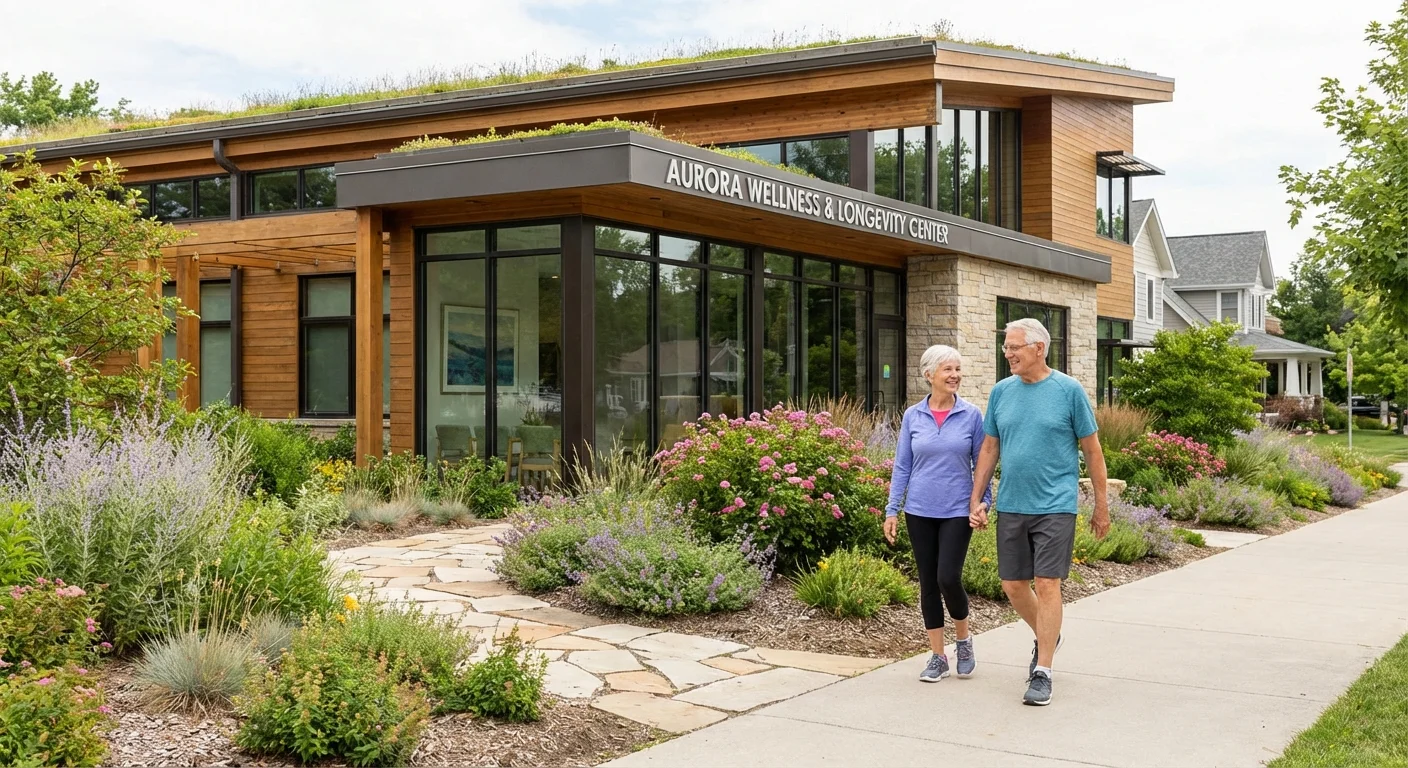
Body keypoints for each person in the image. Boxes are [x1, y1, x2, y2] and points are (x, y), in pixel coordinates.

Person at [969, 318, 1108, 707]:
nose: (1007, 353)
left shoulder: (1068, 391)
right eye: (1006, 347)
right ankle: (1050, 633)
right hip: (1013, 502)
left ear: (1038, 349)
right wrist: (976, 498)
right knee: (1013, 585)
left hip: (1055, 505)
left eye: (1014, 347)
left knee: (1047, 583)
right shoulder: (1001, 392)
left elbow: (1093, 451)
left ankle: (1043, 670)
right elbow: (989, 449)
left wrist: (1101, 505)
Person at [884, 344, 991, 683]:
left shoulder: (972, 415)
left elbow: (983, 464)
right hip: (919, 509)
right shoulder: (913, 416)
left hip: (958, 509)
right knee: (928, 583)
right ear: (929, 375)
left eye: (957, 369)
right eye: (948, 369)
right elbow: (903, 465)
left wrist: (982, 502)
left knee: (948, 577)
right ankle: (937, 656)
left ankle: (963, 640)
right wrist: (892, 510)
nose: (955, 375)